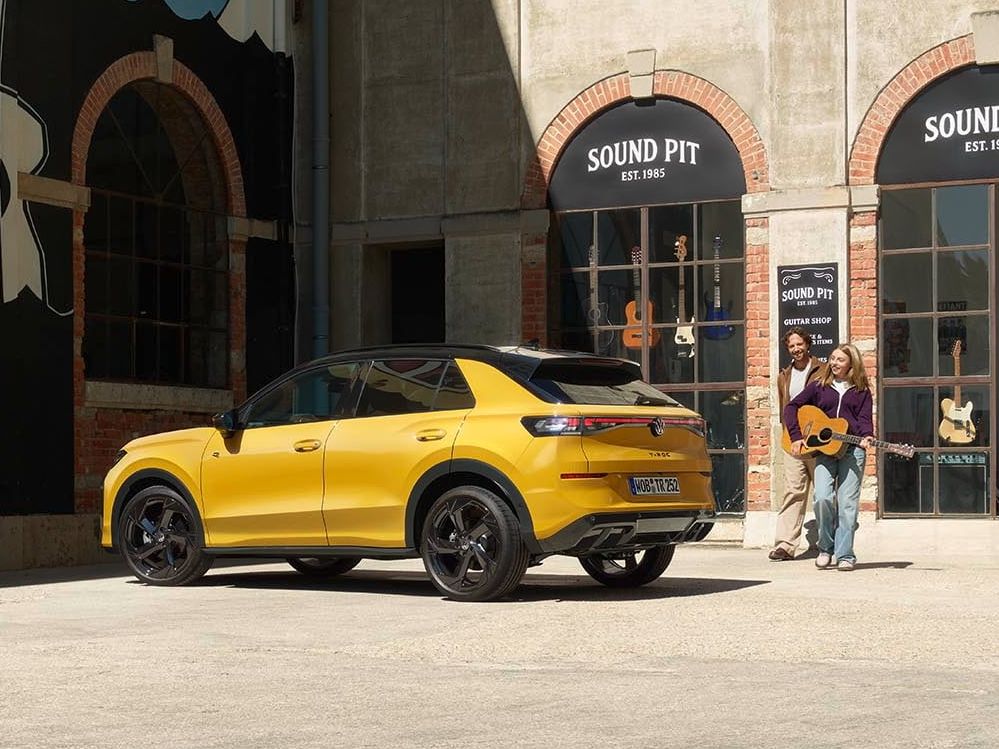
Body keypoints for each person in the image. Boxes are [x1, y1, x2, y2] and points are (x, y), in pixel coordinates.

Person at [784, 342, 874, 572]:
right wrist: (796, 436)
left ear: (851, 363)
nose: (833, 363)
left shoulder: (862, 390)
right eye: (832, 358)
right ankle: (826, 547)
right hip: (825, 451)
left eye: (839, 360)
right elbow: (792, 407)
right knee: (822, 498)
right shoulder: (819, 387)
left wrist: (867, 436)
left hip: (852, 451)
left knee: (847, 505)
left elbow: (864, 420)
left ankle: (845, 555)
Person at [768, 327, 823, 561]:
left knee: (824, 494)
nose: (796, 349)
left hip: (819, 440)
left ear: (808, 344)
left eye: (799, 344)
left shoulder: (824, 370)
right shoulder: (785, 375)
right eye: (791, 346)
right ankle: (785, 545)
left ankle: (827, 542)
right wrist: (790, 435)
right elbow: (785, 409)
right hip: (793, 440)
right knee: (793, 491)